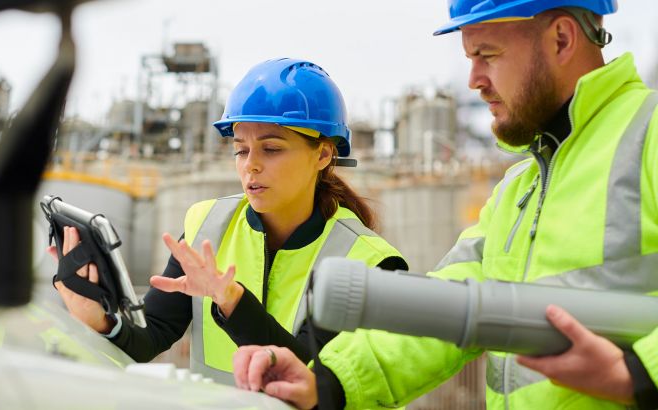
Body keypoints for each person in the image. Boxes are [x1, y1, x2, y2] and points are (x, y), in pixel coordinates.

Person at [233, 1, 658, 408]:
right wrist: (328, 380)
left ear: (562, 39)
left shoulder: (648, 135)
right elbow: (449, 308)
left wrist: (639, 375)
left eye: (486, 54)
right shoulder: (519, 187)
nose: (474, 79)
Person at [49, 58, 407, 385]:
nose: (250, 164)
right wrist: (101, 320)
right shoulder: (208, 224)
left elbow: (315, 380)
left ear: (324, 154)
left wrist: (232, 301)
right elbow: (149, 337)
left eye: (271, 148)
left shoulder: (370, 263)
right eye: (240, 149)